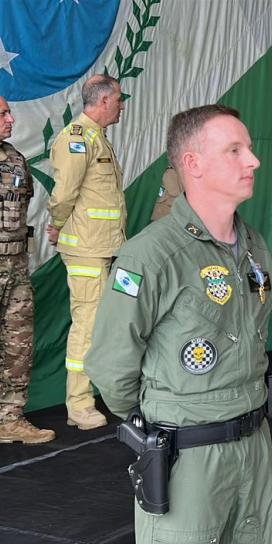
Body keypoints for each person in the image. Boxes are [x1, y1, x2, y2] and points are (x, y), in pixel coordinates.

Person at [84, 104, 272, 544]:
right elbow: (112, 365)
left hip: (253, 444)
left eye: (248, 149)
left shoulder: (254, 247)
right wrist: (164, 414)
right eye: (235, 150)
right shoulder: (150, 256)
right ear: (192, 163)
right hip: (188, 455)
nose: (253, 160)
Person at [46, 74, 126, 431]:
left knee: (103, 326)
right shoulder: (76, 139)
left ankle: (101, 393)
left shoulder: (97, 139)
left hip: (104, 247)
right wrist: (56, 223)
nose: (122, 106)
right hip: (86, 250)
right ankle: (79, 405)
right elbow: (64, 194)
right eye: (119, 99)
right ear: (104, 101)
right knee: (87, 326)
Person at [0, 96, 55, 444]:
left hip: (16, 266)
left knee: (17, 343)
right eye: (3, 114)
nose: (11, 119)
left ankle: (9, 418)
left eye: (9, 112)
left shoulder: (16, 161)